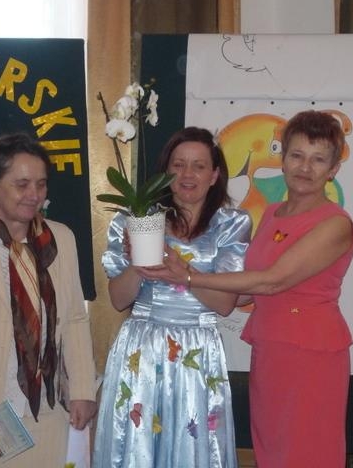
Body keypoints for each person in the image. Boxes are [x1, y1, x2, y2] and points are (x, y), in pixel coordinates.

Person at [149, 110, 353, 467]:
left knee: (307, 452)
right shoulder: (273, 213)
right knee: (272, 449)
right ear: (282, 159)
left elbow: (271, 280)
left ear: (333, 169)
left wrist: (189, 276)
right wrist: (179, 297)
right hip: (270, 348)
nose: (305, 167)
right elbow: (247, 289)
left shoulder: (335, 223)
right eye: (297, 155)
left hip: (311, 355)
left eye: (318, 159)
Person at [92, 127, 252, 467]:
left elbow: (225, 303)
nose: (187, 174)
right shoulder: (136, 219)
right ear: (165, 173)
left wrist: (182, 272)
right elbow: (118, 300)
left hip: (198, 349)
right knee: (138, 449)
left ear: (214, 175)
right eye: (178, 165)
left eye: (199, 166)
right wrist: (140, 262)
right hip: (142, 346)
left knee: (191, 449)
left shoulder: (231, 223)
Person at [0, 133, 97, 467]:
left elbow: (74, 319)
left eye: (41, 184)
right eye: (21, 184)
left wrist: (83, 388)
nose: (34, 195)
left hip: (46, 416)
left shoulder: (61, 239)